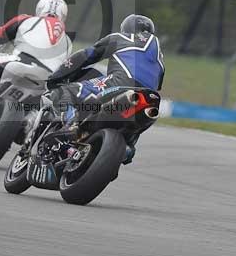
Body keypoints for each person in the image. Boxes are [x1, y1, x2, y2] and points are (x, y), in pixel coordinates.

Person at [44, 14, 164, 164]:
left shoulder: (121, 37)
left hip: (119, 85)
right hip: (150, 99)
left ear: (126, 28)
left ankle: (70, 124)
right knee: (134, 132)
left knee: (64, 91)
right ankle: (127, 148)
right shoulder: (159, 58)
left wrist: (57, 76)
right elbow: (157, 84)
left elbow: (85, 56)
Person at [0, 0, 71, 142]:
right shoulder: (68, 41)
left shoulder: (26, 19)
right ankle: (31, 120)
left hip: (18, 64)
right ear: (64, 15)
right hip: (46, 80)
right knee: (44, 103)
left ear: (40, 9)